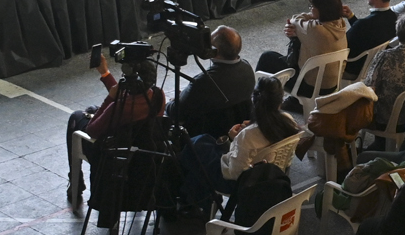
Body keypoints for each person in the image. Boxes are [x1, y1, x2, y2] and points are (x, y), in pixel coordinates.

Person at [65, 48, 164, 210]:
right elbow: (127, 97)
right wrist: (105, 74)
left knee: (76, 118)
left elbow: (92, 130)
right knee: (91, 108)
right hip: (142, 151)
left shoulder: (118, 106)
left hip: (112, 152)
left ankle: (75, 181)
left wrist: (110, 97)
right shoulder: (158, 96)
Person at [182, 73, 299, 208]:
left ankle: (192, 196)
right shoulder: (289, 121)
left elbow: (235, 173)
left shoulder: (247, 135)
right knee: (205, 141)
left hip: (241, 183)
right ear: (280, 101)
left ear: (254, 100)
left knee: (195, 147)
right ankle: (192, 195)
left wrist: (235, 139)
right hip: (275, 173)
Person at [256, 0, 349, 92]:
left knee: (267, 57)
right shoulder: (340, 23)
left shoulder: (315, 29)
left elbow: (295, 19)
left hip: (310, 86)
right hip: (332, 85)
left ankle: (258, 97)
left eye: (312, 6)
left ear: (321, 9)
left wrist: (309, 17)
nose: (310, 8)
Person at [173, 25, 255, 138]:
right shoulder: (247, 67)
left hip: (209, 137)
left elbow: (176, 112)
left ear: (216, 51)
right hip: (237, 130)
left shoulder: (203, 82)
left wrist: (175, 99)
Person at [343, 0, 400, 74]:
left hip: (355, 68)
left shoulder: (363, 25)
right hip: (374, 64)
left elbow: (343, 45)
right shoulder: (395, 18)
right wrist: (351, 17)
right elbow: (366, 32)